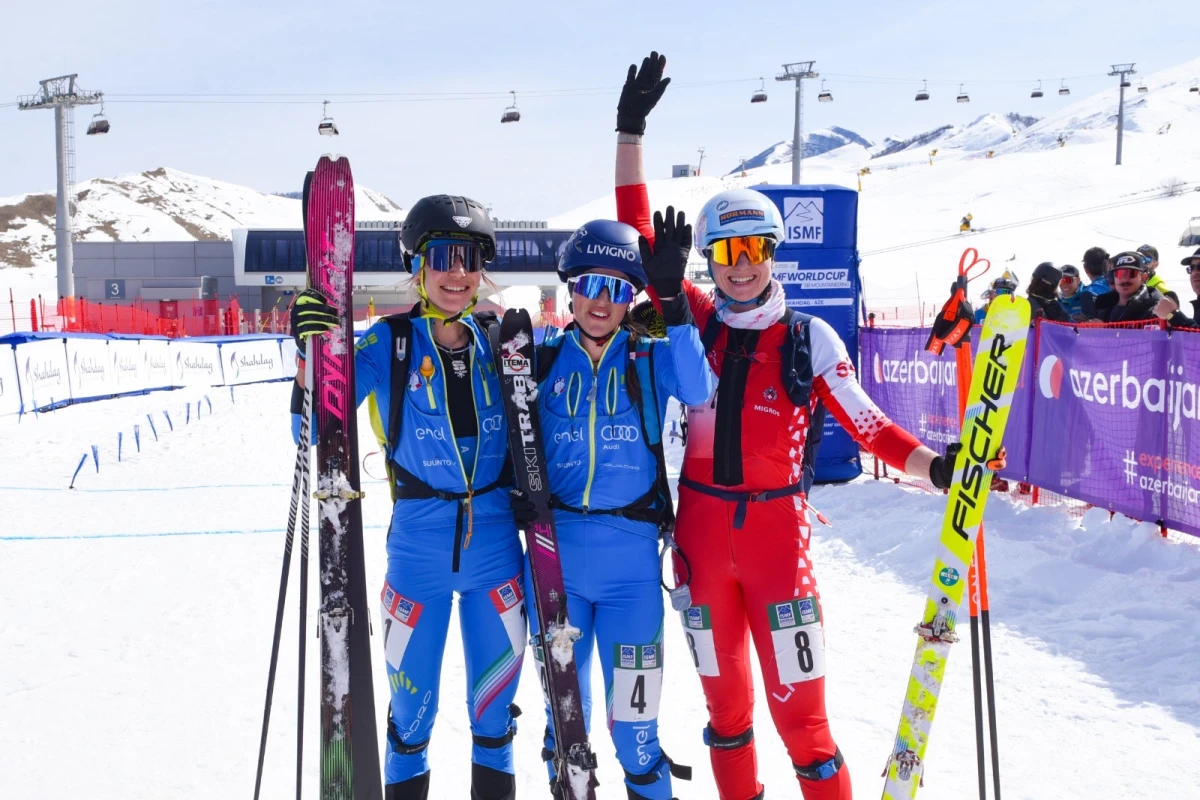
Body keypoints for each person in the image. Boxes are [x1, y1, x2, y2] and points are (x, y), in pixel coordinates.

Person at [611, 53, 990, 800]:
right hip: (701, 545)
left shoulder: (811, 339)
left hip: (780, 546)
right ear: (710, 259)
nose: (739, 267)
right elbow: (636, 235)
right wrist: (630, 133)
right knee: (726, 716)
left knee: (807, 731)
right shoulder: (691, 317)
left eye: (753, 251)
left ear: (772, 253)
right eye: (725, 252)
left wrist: (936, 468)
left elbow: (872, 426)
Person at [291, 195, 524, 800]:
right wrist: (310, 357)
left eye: (469, 258)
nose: (456, 273)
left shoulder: (506, 342)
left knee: (495, 724)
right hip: (417, 552)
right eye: (442, 257)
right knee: (410, 726)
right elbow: (314, 432)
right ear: (416, 266)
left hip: (498, 549)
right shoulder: (386, 345)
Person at [513, 208, 714, 799]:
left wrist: (672, 298)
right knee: (564, 728)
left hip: (630, 573)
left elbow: (700, 389)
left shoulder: (649, 358)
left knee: (637, 737)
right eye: (589, 286)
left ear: (632, 297)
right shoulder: (540, 362)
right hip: (556, 566)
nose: (601, 302)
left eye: (617, 289)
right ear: (570, 291)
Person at [1092, 250, 1192, 326]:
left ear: (1143, 277)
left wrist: (1105, 332)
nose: (1125, 279)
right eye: (1120, 273)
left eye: (1132, 273)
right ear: (1113, 278)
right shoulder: (1102, 304)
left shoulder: (1156, 308)